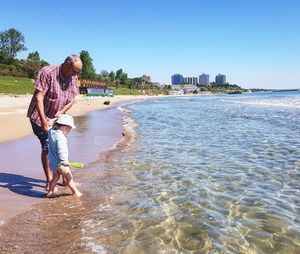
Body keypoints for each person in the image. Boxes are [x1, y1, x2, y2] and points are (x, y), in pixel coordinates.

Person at [27, 55, 82, 190]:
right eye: (75, 71)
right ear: (66, 64)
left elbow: (72, 100)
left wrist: (61, 111)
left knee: (60, 145)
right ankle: (49, 179)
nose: (76, 75)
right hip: (40, 116)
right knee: (47, 146)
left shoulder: (73, 78)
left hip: (58, 118)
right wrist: (43, 121)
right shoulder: (48, 72)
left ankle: (64, 177)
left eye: (78, 72)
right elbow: (38, 97)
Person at [46, 114, 82, 198]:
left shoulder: (51, 131)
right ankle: (76, 192)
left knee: (55, 177)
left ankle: (50, 192)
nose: (69, 131)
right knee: (69, 177)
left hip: (52, 162)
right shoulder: (60, 137)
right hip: (60, 163)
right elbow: (61, 150)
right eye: (69, 129)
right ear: (66, 127)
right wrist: (64, 161)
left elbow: (49, 125)